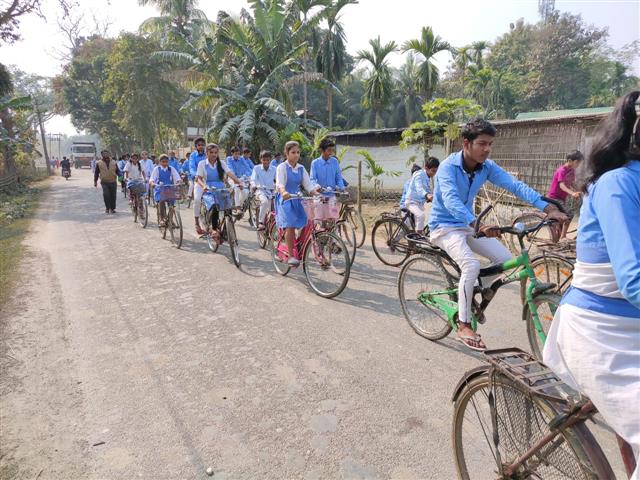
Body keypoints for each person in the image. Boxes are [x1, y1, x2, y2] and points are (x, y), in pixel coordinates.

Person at [543, 91, 640, 479]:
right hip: (603, 329)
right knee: (470, 267)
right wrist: (553, 203)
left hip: (630, 326)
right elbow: (633, 280)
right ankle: (466, 318)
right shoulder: (619, 182)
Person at [428, 118, 567, 351]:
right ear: (466, 143)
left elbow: (515, 185)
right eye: (482, 143)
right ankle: (464, 325)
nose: (487, 149)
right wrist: (478, 224)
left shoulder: (487, 167)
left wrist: (547, 207)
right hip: (444, 227)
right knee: (471, 265)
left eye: (490, 144)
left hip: (468, 225)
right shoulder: (448, 167)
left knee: (504, 259)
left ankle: (470, 290)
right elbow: (451, 201)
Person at [275, 140, 320, 266]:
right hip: (285, 199)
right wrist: (284, 192)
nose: (296, 155)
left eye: (298, 152)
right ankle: (290, 256)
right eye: (293, 152)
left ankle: (298, 244)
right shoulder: (282, 167)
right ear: (287, 153)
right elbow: (280, 184)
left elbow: (308, 185)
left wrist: (316, 194)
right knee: (290, 225)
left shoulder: (301, 168)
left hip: (297, 198)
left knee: (307, 221)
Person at [195, 143, 242, 240]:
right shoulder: (202, 164)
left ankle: (227, 229)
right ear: (206, 153)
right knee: (215, 206)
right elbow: (198, 178)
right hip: (209, 189)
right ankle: (214, 228)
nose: (214, 154)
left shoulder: (222, 163)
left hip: (221, 188)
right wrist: (203, 186)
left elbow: (230, 173)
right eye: (211, 152)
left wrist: (238, 182)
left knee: (227, 207)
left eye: (215, 152)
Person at [547, 150, 584, 239]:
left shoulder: (572, 171)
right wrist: (572, 193)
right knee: (569, 214)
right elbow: (561, 185)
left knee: (564, 216)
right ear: (570, 161)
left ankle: (559, 235)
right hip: (554, 198)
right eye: (577, 163)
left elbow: (572, 183)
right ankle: (563, 237)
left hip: (561, 199)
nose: (578, 165)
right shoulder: (561, 170)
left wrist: (582, 191)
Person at [405, 157, 439, 232]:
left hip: (420, 204)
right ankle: (419, 236)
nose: (434, 173)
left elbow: (429, 191)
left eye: (436, 171)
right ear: (426, 168)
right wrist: (427, 195)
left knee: (425, 219)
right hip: (411, 202)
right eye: (433, 171)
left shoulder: (427, 177)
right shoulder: (419, 175)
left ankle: (418, 235)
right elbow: (419, 189)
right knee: (421, 216)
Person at [149, 154, 182, 225]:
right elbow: (152, 179)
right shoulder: (157, 169)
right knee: (161, 201)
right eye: (163, 162)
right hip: (159, 189)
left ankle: (170, 219)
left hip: (169, 188)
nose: (165, 163)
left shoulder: (171, 169)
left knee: (172, 204)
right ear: (160, 162)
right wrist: (152, 183)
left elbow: (177, 177)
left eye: (166, 162)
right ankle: (162, 218)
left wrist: (178, 182)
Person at [183, 138, 207, 234]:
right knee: (197, 200)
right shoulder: (193, 155)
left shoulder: (208, 153)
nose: (201, 146)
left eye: (202, 144)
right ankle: (196, 222)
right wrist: (196, 175)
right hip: (198, 179)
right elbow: (192, 167)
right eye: (199, 145)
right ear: (196, 146)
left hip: (210, 180)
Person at [251, 150, 277, 231]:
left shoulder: (274, 169)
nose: (266, 162)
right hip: (260, 190)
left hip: (271, 190)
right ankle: (261, 222)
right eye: (264, 160)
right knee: (264, 202)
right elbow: (253, 179)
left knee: (276, 204)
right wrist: (254, 186)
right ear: (261, 159)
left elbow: (278, 180)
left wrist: (279, 185)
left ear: (270, 160)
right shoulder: (256, 168)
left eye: (268, 160)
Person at [94, 149, 120, 214]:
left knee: (113, 195)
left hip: (113, 181)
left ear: (109, 154)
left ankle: (112, 208)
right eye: (104, 154)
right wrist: (95, 181)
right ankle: (107, 208)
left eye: (106, 153)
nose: (105, 155)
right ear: (102, 155)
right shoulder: (99, 163)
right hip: (104, 182)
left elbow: (118, 171)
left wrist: (121, 177)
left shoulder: (114, 162)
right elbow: (96, 173)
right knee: (106, 194)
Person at [227, 146, 251, 210]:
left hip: (241, 178)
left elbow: (247, 167)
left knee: (246, 192)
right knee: (237, 188)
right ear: (232, 153)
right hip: (232, 178)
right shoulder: (229, 159)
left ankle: (239, 204)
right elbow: (231, 170)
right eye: (235, 154)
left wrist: (252, 175)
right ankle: (238, 208)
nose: (237, 155)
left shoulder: (241, 159)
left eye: (238, 154)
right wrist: (236, 180)